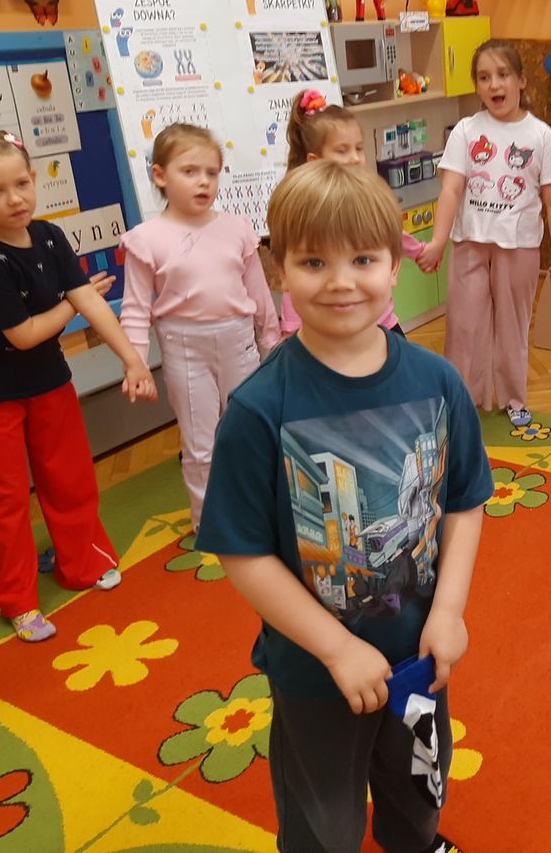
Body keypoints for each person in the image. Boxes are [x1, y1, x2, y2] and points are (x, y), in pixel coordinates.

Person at [195, 161, 493, 851]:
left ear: (395, 265)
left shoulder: (438, 382)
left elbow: (462, 503)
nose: (340, 281)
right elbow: (243, 553)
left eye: (362, 259)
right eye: (313, 261)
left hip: (419, 658)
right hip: (315, 673)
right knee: (323, 824)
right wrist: (335, 648)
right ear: (279, 270)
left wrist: (448, 611)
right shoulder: (259, 409)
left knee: (421, 790)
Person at [0, 129, 157, 641]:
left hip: (49, 383)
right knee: (7, 499)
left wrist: (132, 360)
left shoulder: (48, 235)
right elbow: (25, 334)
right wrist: (73, 301)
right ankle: (17, 599)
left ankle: (83, 562)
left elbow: (90, 302)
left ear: (33, 178)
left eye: (21, 183)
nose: (14, 199)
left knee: (69, 477)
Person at [119, 123, 279, 531]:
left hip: (238, 341)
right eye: (189, 171)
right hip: (184, 348)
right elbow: (136, 309)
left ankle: (257, 510)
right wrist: (136, 363)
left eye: (211, 172)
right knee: (200, 442)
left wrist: (271, 340)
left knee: (249, 429)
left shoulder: (236, 228)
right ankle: (210, 521)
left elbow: (258, 291)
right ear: (160, 175)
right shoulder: (146, 239)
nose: (204, 181)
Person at [419, 39, 551, 427]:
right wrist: (437, 242)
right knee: (463, 326)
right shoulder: (466, 131)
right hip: (469, 243)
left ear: (521, 80)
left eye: (503, 74)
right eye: (484, 77)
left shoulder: (542, 137)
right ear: (477, 86)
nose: (494, 84)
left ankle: (514, 398)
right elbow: (450, 190)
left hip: (519, 247)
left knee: (512, 327)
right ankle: (462, 398)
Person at [277, 88, 425, 339]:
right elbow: (295, 267)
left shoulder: (367, 197)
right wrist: (290, 327)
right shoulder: (304, 212)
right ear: (315, 160)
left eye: (359, 148)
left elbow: (390, 234)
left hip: (381, 323)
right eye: (342, 150)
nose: (355, 158)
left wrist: (419, 250)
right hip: (331, 329)